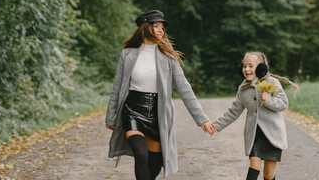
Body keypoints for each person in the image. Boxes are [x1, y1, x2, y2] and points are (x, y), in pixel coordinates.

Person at [105, 10, 215, 180]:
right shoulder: (127, 54)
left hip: (158, 114)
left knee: (154, 165)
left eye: (162, 28)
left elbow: (185, 90)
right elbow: (117, 87)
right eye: (156, 26)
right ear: (145, 27)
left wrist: (202, 119)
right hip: (132, 110)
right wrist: (111, 117)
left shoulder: (168, 57)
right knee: (141, 155)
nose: (160, 31)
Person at [212, 51, 298, 180]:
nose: (246, 69)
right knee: (254, 166)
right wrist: (217, 125)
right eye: (244, 66)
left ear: (261, 67)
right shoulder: (243, 88)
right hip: (254, 134)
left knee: (269, 175)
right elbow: (234, 111)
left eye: (250, 66)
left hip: (272, 134)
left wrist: (269, 100)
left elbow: (283, 104)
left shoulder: (272, 82)